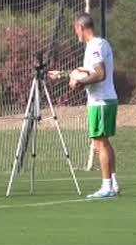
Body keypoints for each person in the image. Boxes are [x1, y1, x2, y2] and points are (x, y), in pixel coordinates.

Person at [48, 12, 119, 199]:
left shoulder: (95, 45)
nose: (76, 34)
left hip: (101, 101)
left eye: (76, 30)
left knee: (99, 144)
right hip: (106, 99)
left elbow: (100, 73)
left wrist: (80, 83)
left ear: (80, 28)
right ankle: (113, 182)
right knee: (104, 143)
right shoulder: (99, 44)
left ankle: (106, 187)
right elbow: (87, 72)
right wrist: (64, 75)